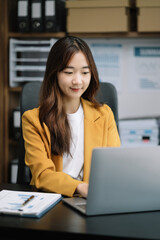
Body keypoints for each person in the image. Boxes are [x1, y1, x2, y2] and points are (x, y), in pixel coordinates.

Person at [22, 36, 120, 198]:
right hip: (54, 200)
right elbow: (42, 175)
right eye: (69, 72)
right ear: (55, 74)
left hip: (93, 200)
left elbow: (114, 167)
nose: (78, 81)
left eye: (85, 72)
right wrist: (80, 187)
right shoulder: (33, 120)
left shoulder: (104, 114)